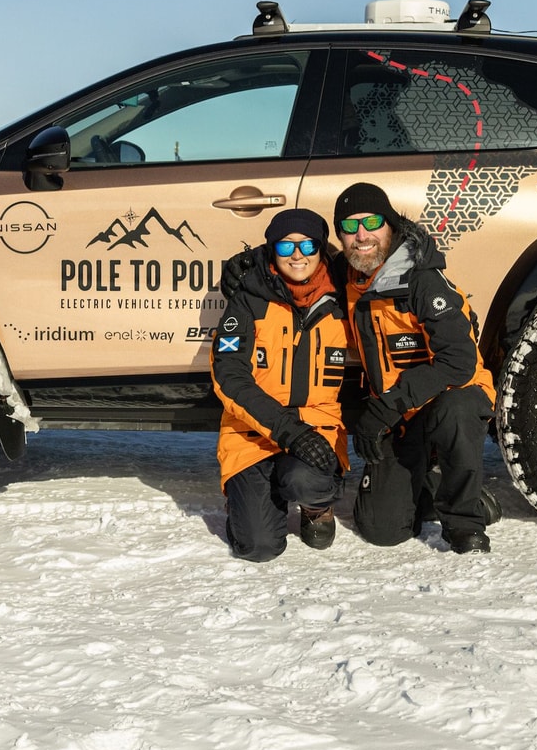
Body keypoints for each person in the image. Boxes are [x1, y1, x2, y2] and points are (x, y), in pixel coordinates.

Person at [333, 182, 498, 554]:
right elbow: (297, 262)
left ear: (390, 225)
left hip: (449, 399)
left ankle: (465, 522)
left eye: (372, 221)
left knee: (457, 410)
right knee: (382, 529)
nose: (362, 235)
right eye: (349, 226)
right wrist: (252, 265)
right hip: (401, 415)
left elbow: (459, 361)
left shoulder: (421, 278)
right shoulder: (346, 275)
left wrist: (385, 406)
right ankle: (436, 484)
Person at [210, 208, 355, 562]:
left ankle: (316, 507)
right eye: (285, 246)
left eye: (307, 245)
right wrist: (289, 432)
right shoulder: (248, 299)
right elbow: (230, 377)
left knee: (304, 480)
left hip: (316, 426)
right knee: (259, 548)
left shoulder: (344, 300)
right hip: (252, 434)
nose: (297, 255)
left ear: (321, 250)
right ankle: (250, 499)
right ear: (271, 250)